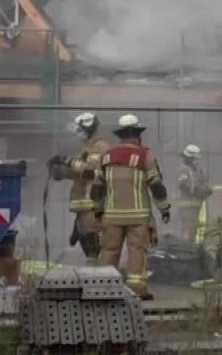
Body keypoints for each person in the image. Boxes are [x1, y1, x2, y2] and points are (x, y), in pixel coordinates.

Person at [92, 113, 171, 299]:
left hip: (111, 215)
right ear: (137, 134)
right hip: (138, 216)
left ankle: (105, 289)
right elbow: (156, 186)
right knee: (137, 251)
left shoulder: (106, 156)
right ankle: (136, 291)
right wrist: (164, 209)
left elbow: (97, 188)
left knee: (109, 251)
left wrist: (97, 211)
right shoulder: (145, 155)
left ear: (120, 135)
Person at [49, 112, 111, 264]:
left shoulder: (101, 147)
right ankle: (92, 275)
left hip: (93, 205)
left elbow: (92, 172)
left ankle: (98, 278)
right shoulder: (85, 150)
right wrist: (59, 170)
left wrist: (69, 161)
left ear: (89, 130)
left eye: (80, 130)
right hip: (83, 208)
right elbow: (77, 173)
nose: (78, 134)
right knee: (89, 248)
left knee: (94, 247)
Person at [175, 144, 211, 243]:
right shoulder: (183, 169)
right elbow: (182, 186)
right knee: (189, 231)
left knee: (194, 230)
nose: (195, 160)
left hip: (196, 206)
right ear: (187, 158)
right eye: (193, 158)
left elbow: (204, 182)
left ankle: (192, 249)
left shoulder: (198, 170)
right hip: (186, 206)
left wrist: (206, 191)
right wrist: (196, 193)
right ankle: (187, 251)